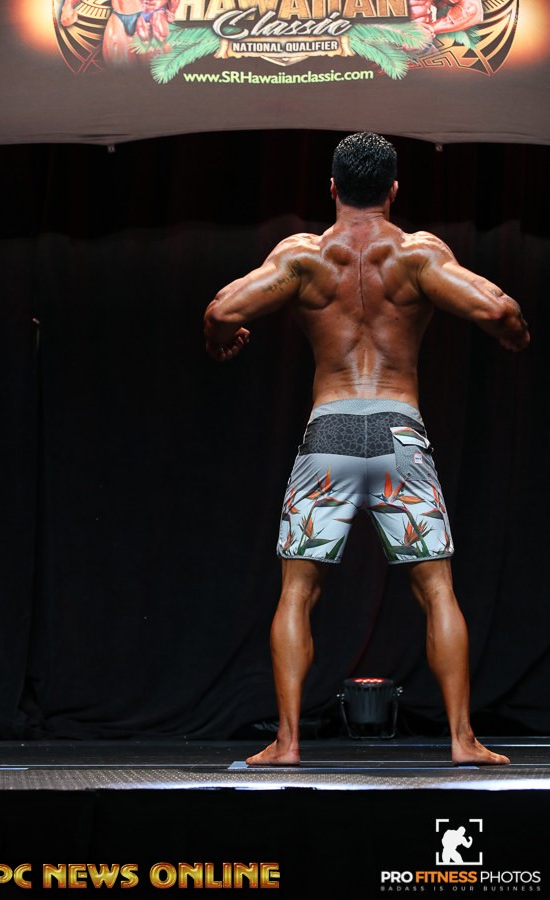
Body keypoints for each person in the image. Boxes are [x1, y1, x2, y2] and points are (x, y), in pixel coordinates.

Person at [203, 132, 529, 767]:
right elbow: (497, 308)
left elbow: (221, 310)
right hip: (397, 430)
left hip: (329, 432)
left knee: (298, 593)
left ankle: (287, 743)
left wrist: (218, 340)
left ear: (332, 188)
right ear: (393, 190)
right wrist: (513, 333)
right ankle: (462, 740)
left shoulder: (302, 258)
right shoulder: (416, 255)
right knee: (436, 591)